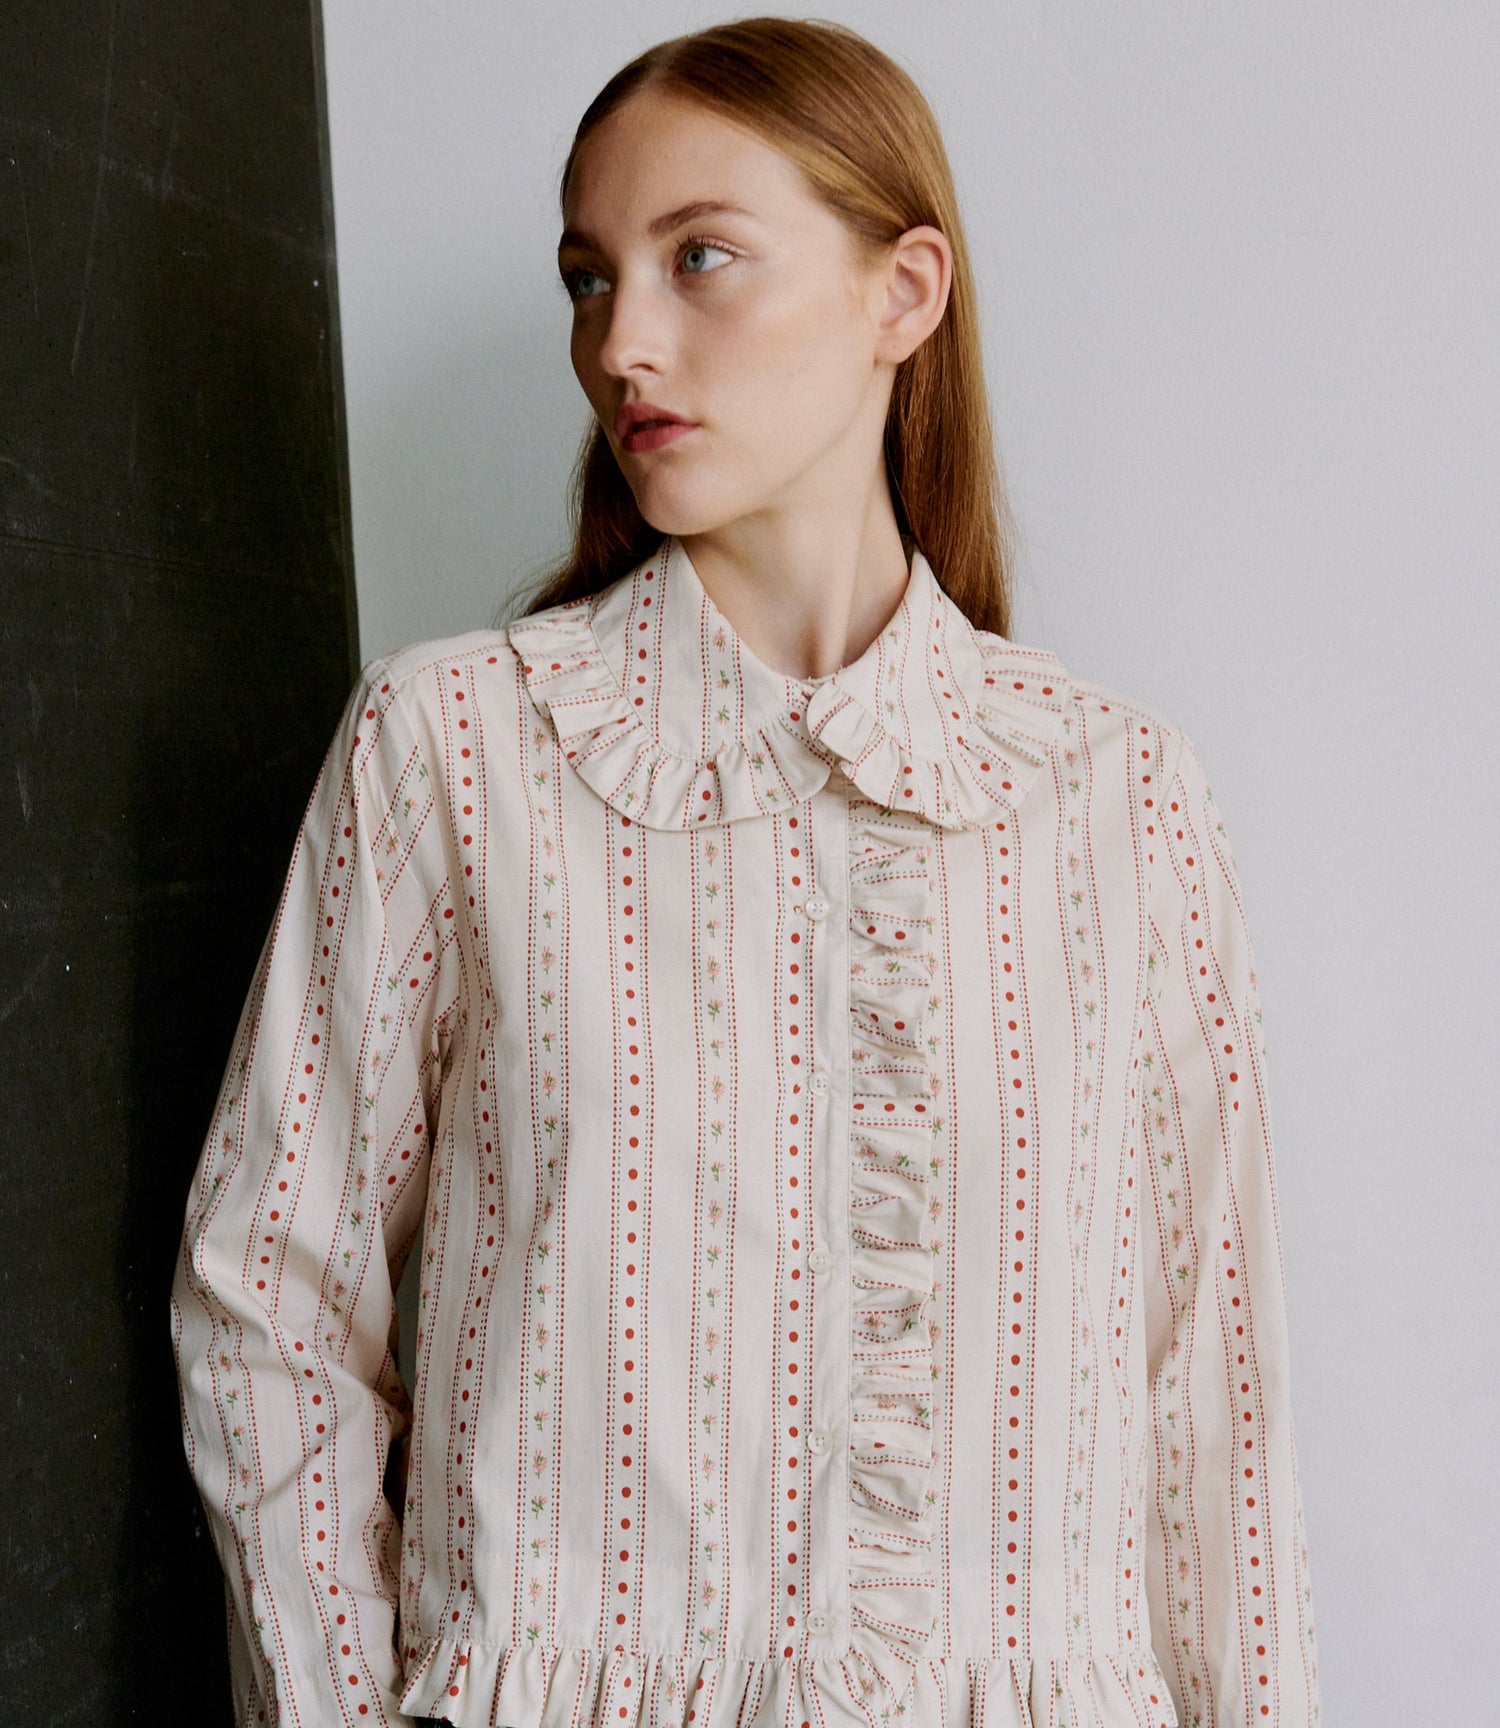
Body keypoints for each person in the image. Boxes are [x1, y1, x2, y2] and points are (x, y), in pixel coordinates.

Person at [171, 18, 1321, 1728]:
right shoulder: (457, 746)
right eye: (586, 276)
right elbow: (269, 1298)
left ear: (902, 294)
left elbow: (1207, 1396)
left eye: (699, 257)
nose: (622, 340)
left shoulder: (1119, 794)